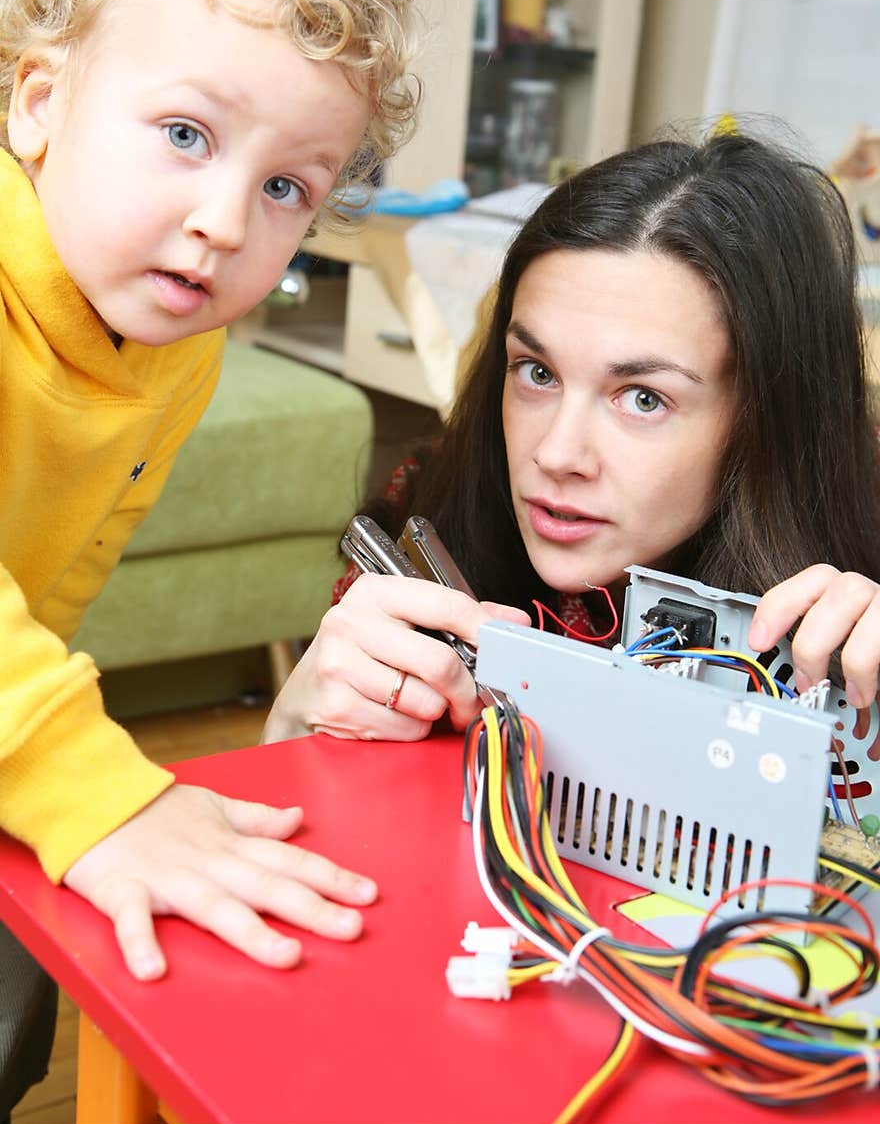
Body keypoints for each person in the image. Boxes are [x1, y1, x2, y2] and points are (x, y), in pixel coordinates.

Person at [0, 0, 419, 1122]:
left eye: (286, 184)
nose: (227, 220)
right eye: (185, 132)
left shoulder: (172, 343)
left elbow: (46, 583)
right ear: (36, 104)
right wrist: (85, 782)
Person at [261, 130, 880, 750]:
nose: (555, 455)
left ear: (764, 416)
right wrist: (291, 723)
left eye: (643, 398)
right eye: (537, 372)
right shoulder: (436, 508)